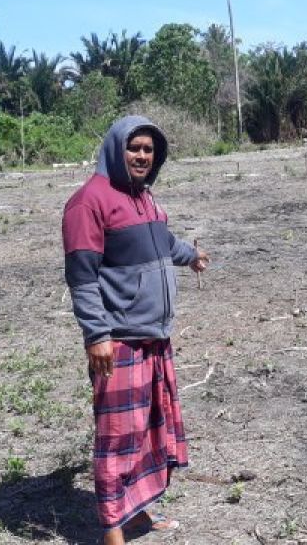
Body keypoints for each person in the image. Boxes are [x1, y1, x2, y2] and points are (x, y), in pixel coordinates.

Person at [62, 115, 209, 543]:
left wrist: (191, 255)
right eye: (134, 147)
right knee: (118, 437)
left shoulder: (145, 199)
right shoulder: (89, 201)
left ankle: (140, 511)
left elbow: (163, 242)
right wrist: (97, 335)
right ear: (115, 149)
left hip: (155, 336)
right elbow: (83, 276)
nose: (142, 155)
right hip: (120, 339)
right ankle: (112, 528)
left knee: (148, 431)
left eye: (149, 149)